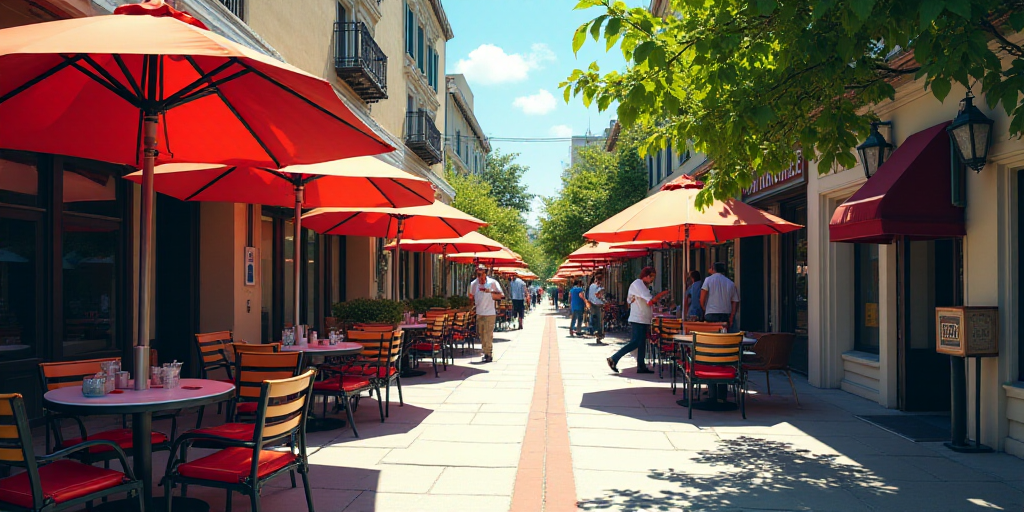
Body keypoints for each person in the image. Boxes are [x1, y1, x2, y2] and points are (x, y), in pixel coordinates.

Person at [608, 266, 668, 374]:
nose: (652, 280)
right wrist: (662, 294)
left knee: (641, 343)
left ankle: (641, 365)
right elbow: (650, 301)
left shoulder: (644, 287)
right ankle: (614, 358)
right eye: (651, 277)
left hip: (643, 318)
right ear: (646, 276)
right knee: (636, 342)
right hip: (638, 318)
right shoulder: (638, 284)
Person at [468, 264, 504, 363]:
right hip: (479, 313)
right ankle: (485, 352)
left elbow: (501, 295)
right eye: (477, 274)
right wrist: (471, 307)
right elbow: (471, 297)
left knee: (488, 334)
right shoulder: (474, 284)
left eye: (481, 274)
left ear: (485, 273)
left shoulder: (493, 283)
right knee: (481, 334)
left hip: (490, 313)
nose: (479, 277)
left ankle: (489, 354)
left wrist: (490, 292)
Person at [701, 262, 739, 330]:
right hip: (725, 314)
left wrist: (704, 308)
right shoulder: (730, 283)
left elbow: (702, 297)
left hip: (711, 313)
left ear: (713, 268)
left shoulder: (708, 280)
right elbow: (735, 301)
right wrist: (731, 317)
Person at [588, 273, 606, 345]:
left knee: (594, 319)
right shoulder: (599, 287)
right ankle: (599, 336)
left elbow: (590, 296)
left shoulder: (591, 286)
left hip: (592, 305)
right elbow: (599, 295)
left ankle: (595, 332)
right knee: (600, 321)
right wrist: (604, 301)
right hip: (598, 305)